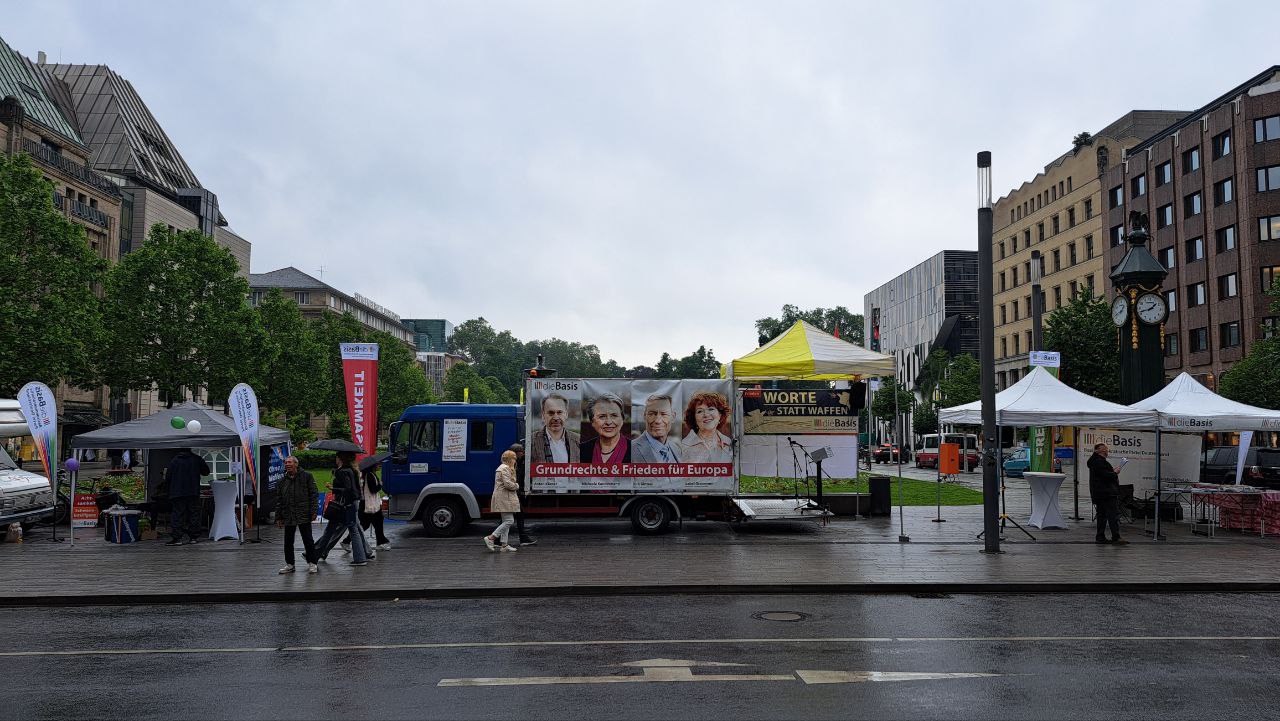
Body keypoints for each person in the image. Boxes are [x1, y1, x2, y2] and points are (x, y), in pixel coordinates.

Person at [315, 451, 370, 565]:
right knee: (349, 528)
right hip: (351, 503)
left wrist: (333, 487)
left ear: (340, 458)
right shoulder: (352, 470)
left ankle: (315, 553)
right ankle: (362, 555)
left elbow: (347, 489)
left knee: (338, 529)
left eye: (336, 457)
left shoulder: (343, 471)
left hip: (344, 504)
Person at [275, 456, 319, 574]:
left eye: (289, 462)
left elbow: (314, 494)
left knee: (308, 539)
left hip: (303, 513)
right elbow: (279, 500)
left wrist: (314, 511)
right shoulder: (282, 481)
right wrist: (278, 517)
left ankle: (312, 563)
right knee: (288, 541)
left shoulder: (307, 476)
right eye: (286, 463)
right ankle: (290, 564)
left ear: (296, 464)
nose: (287, 464)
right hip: (288, 514)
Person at [164, 448, 209, 546]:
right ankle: (193, 537)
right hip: (193, 491)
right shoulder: (197, 459)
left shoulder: (174, 460)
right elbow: (206, 472)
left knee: (178, 515)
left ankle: (177, 538)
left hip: (177, 492)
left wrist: (168, 491)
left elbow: (168, 477)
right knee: (194, 514)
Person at [1088, 442, 1127, 545]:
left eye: (1106, 449)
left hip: (1099, 493)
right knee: (1112, 515)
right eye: (1105, 450)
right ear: (1100, 451)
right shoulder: (1099, 462)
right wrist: (1115, 473)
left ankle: (1100, 537)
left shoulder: (1096, 462)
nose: (1106, 451)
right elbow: (1105, 476)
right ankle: (1116, 537)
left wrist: (1112, 471)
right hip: (1106, 493)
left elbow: (1101, 475)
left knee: (1101, 515)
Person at [484, 450, 522, 552]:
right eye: (514, 458)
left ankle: (504, 545)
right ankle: (491, 538)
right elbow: (508, 484)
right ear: (510, 459)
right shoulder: (504, 468)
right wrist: (517, 486)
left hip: (504, 497)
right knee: (510, 521)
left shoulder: (503, 468)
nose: (515, 461)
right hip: (504, 497)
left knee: (506, 521)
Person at [679, 392, 733, 463]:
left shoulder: (729, 443)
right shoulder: (683, 447)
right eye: (700, 411)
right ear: (694, 419)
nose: (706, 415)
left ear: (720, 414)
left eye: (711, 409)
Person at [579, 393, 631, 463]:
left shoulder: (636, 450)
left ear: (622, 419)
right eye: (602, 416)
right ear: (592, 422)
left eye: (614, 415)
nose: (608, 422)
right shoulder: (581, 450)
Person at [631, 394, 683, 463]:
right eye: (652, 414)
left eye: (664, 414)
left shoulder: (676, 449)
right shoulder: (630, 450)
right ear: (644, 416)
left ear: (673, 417)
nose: (658, 421)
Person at [530, 393, 581, 463]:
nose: (556, 418)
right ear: (543, 415)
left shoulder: (579, 441)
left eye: (559, 412)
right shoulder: (530, 442)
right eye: (551, 413)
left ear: (566, 414)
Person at [508, 443, 535, 546]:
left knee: (509, 517)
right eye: (521, 452)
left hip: (515, 492)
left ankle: (496, 539)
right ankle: (494, 538)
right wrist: (518, 489)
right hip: (513, 493)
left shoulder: (517, 462)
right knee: (510, 517)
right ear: (515, 453)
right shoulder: (511, 465)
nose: (523, 454)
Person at [359, 464, 391, 551]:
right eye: (378, 465)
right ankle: (380, 542)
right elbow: (373, 489)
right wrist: (380, 484)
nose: (379, 466)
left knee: (366, 524)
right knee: (377, 523)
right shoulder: (370, 475)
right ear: (373, 466)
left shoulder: (367, 475)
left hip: (368, 504)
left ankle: (381, 541)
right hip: (370, 504)